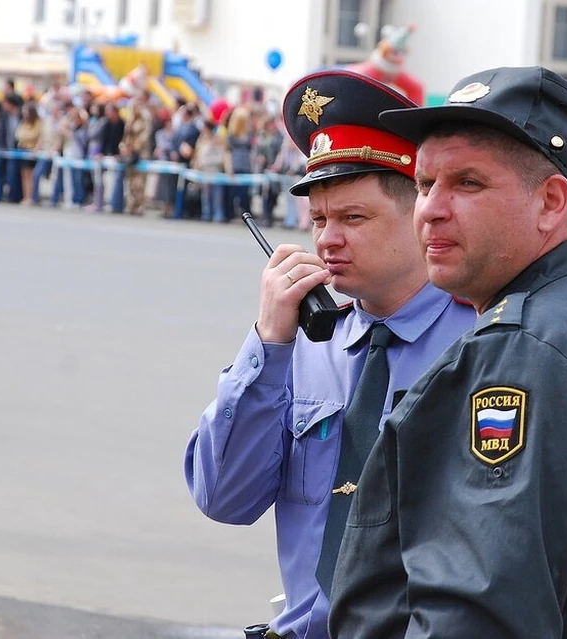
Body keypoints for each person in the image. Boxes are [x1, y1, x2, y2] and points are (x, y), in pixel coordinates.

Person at [328, 66, 567, 639]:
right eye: (425, 184)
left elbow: (478, 613)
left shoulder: (524, 352)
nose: (431, 209)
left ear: (551, 201)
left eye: (467, 183)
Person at [183, 70, 476, 639]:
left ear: (420, 214)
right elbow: (225, 498)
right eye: (318, 219)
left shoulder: (482, 340)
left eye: (352, 218)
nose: (326, 240)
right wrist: (267, 344)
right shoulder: (301, 340)